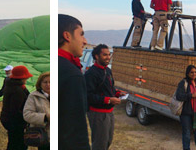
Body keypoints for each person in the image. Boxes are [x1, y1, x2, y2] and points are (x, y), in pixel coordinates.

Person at [85, 44, 127, 150]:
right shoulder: (91, 73)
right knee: (100, 144)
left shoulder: (107, 71)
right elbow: (88, 96)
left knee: (108, 141)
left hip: (109, 112)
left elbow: (109, 89)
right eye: (105, 55)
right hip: (97, 113)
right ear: (96, 56)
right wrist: (108, 100)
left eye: (109, 54)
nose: (108, 57)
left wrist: (117, 94)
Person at [57, 14, 90, 150]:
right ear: (67, 36)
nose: (85, 41)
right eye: (81, 35)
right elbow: (75, 128)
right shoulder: (72, 74)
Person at [175, 65, 196, 150]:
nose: (194, 74)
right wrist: (191, 95)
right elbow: (179, 96)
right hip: (186, 112)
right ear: (187, 73)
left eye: (195, 72)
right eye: (191, 72)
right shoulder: (183, 83)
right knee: (186, 133)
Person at [0, 65, 32, 150]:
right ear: (21, 78)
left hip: (10, 122)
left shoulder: (12, 86)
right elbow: (15, 111)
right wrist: (28, 117)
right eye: (26, 77)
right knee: (18, 144)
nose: (27, 79)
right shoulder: (17, 91)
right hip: (15, 124)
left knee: (13, 143)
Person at [24, 72, 51, 150]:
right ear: (40, 83)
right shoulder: (34, 96)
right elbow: (27, 115)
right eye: (45, 82)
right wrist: (45, 117)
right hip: (44, 135)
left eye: (50, 82)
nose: (48, 84)